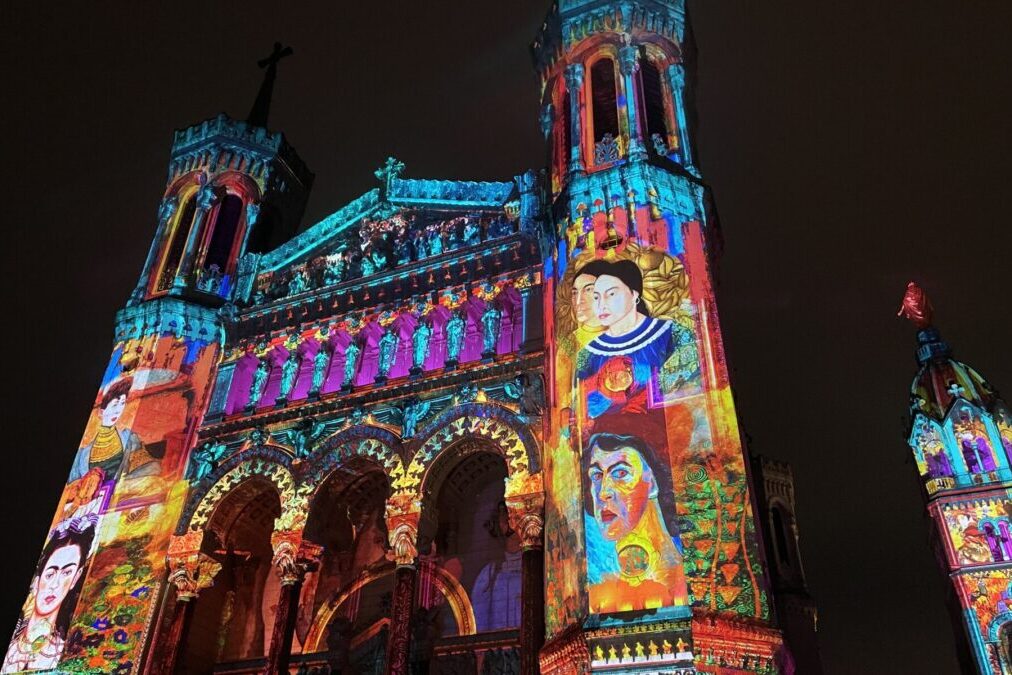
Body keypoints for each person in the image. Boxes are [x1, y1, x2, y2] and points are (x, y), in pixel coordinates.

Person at [574, 259, 698, 416]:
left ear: (634, 294)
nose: (601, 305)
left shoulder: (673, 333)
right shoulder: (588, 353)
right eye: (597, 297)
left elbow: (691, 384)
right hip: (606, 435)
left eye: (611, 294)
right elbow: (580, 408)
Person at [582, 432, 686, 613]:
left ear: (652, 483)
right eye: (597, 476)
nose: (602, 493)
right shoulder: (596, 577)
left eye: (620, 473)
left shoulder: (690, 567)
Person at [2, 517, 96, 673]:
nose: (55, 584)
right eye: (50, 574)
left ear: (76, 577)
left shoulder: (64, 652)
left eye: (67, 573)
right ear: (37, 579)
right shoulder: (11, 650)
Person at [67, 379, 158, 485]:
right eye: (115, 404)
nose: (118, 410)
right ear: (101, 412)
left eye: (122, 403)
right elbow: (72, 485)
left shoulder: (128, 437)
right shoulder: (82, 455)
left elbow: (149, 465)